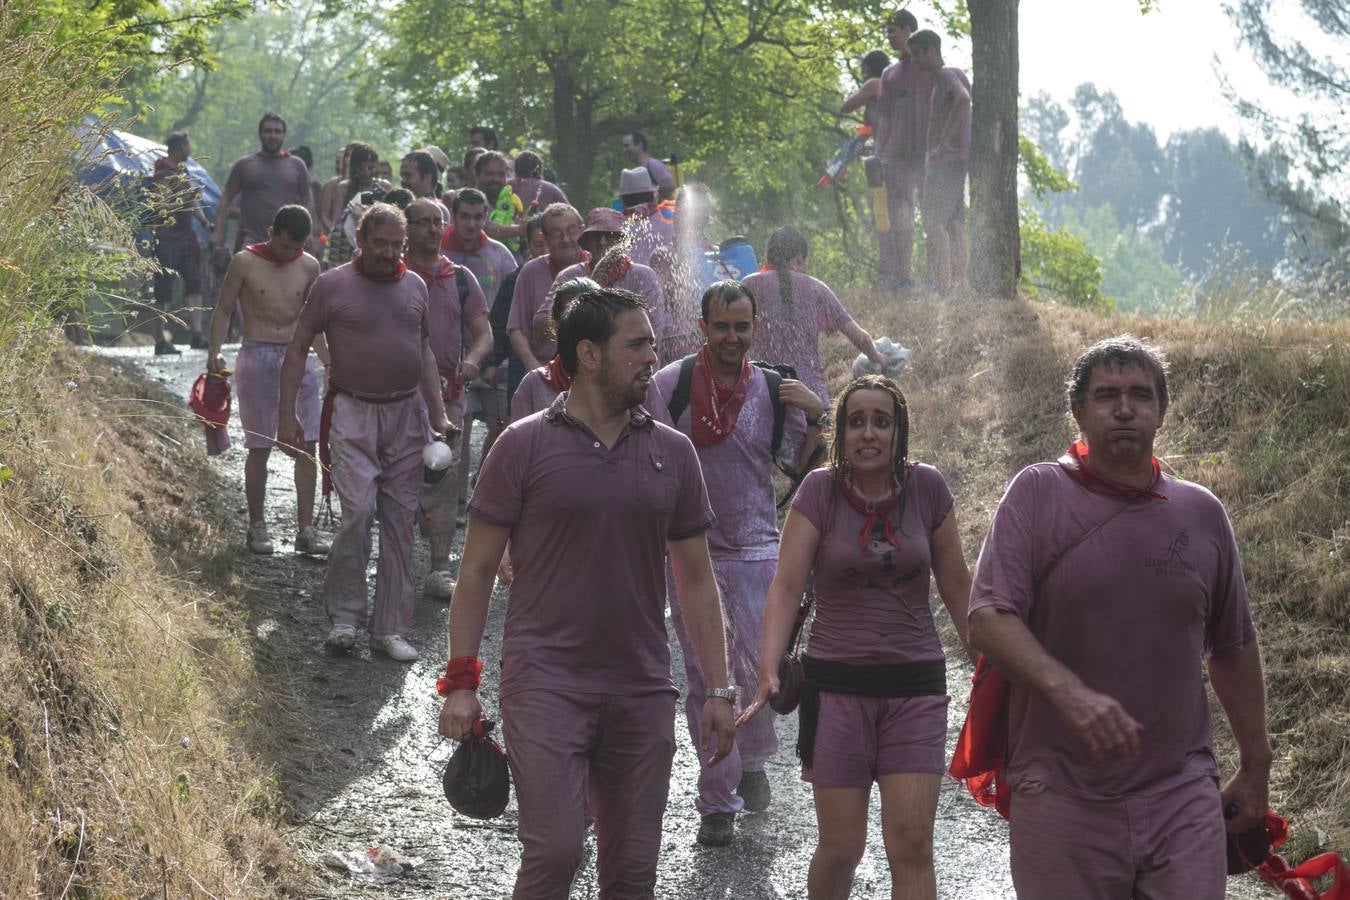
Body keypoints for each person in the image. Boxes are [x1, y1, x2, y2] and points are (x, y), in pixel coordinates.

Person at [437, 286, 737, 898]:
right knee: (555, 849)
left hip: (641, 687)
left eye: (653, 342)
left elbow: (698, 580)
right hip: (545, 682)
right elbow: (473, 574)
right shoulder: (520, 446)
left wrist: (720, 687)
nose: (653, 356)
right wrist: (462, 682)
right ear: (589, 355)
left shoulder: (673, 453)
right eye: (637, 344)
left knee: (631, 874)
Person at [966, 337, 1270, 900]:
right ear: (1078, 411)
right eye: (1106, 395)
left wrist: (1256, 766)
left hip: (1182, 791)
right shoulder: (1037, 493)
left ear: (1161, 410)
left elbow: (1232, 646)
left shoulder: (1202, 513)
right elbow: (987, 617)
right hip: (1060, 796)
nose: (1124, 408)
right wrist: (1070, 694)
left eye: (1139, 395)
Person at [743, 374, 974, 900]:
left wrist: (989, 666)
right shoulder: (818, 491)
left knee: (913, 843)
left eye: (882, 422)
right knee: (842, 847)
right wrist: (768, 667)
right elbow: (785, 586)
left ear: (900, 432)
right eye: (856, 422)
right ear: (842, 431)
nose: (868, 433)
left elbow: (959, 588)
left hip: (916, 686)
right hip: (836, 689)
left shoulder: (928, 488)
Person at [651, 279, 826, 847]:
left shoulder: (775, 391)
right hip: (691, 554)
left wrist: (817, 416)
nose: (731, 337)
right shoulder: (670, 386)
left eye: (741, 327)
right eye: (720, 326)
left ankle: (752, 762)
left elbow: (803, 472)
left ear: (755, 328)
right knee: (708, 679)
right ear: (703, 328)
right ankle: (717, 801)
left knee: (761, 673)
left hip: (759, 551)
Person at [278, 203, 453, 662]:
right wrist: (287, 415)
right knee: (356, 515)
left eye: (398, 245)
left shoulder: (415, 285)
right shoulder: (332, 285)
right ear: (362, 240)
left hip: (405, 415)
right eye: (381, 244)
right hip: (352, 411)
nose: (390, 254)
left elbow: (425, 352)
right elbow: (297, 349)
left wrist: (439, 415)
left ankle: (389, 628)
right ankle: (345, 617)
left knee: (399, 520)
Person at [208, 204, 331, 556]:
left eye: (297, 247)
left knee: (307, 445)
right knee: (259, 445)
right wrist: (215, 350)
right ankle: (257, 525)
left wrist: (328, 361)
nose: (290, 254)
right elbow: (225, 309)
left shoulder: (309, 266)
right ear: (271, 232)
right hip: (257, 354)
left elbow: (314, 321)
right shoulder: (245, 262)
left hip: (297, 355)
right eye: (285, 245)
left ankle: (306, 529)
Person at [404, 198, 493, 600]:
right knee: (401, 474)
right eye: (420, 222)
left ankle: (440, 568)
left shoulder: (460, 278)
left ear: (444, 227)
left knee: (444, 473)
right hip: (398, 394)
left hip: (449, 391)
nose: (429, 229)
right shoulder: (395, 273)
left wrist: (473, 359)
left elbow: (484, 332)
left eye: (434, 222)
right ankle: (398, 561)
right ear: (407, 228)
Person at [740, 227, 885, 409]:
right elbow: (860, 338)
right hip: (810, 400)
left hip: (758, 396)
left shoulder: (747, 285)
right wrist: (879, 359)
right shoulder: (816, 288)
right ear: (800, 258)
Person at [540, 208, 669, 358]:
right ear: (586, 242)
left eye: (610, 235)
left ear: (623, 242)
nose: (603, 241)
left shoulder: (643, 276)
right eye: (596, 236)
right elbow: (541, 322)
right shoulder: (570, 275)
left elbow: (655, 330)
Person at [874, 10, 933, 290]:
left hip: (928, 155)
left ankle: (937, 277)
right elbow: (884, 117)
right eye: (887, 30)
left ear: (909, 31)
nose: (889, 35)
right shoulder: (889, 73)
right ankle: (903, 276)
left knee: (932, 213)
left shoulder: (929, 67)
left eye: (893, 29)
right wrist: (879, 153)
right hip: (897, 156)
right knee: (901, 216)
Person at [908, 30, 970, 295]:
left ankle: (943, 288)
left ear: (931, 50)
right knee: (955, 224)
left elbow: (964, 100)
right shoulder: (952, 74)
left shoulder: (946, 75)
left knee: (933, 224)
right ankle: (956, 286)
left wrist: (943, 142)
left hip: (945, 163)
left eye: (917, 54)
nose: (914, 61)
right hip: (956, 162)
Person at [506, 203, 586, 387]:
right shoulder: (530, 271)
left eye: (571, 231)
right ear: (545, 238)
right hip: (544, 370)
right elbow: (516, 328)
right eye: (557, 234)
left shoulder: (594, 265)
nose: (566, 239)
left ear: (582, 231)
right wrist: (532, 366)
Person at [211, 114, 315, 254]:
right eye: (268, 131)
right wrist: (217, 232)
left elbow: (307, 201)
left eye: (277, 131)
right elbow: (226, 199)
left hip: (288, 241)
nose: (272, 135)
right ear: (260, 134)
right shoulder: (244, 165)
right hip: (250, 240)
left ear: (284, 135)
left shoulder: (297, 165)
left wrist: (307, 233)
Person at [150, 130, 210, 354]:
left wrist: (205, 223)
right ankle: (159, 340)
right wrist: (186, 197)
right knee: (163, 289)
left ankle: (197, 335)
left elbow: (192, 202)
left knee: (194, 284)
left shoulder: (182, 172)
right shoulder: (162, 172)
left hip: (187, 238)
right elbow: (163, 205)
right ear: (181, 146)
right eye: (188, 144)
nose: (190, 148)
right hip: (166, 238)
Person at [510, 277, 600, 422]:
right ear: (555, 327)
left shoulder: (618, 382)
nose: (584, 331)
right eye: (574, 323)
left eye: (594, 322)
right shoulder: (535, 385)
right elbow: (517, 442)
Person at [327, 143, 385, 268]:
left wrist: (363, 216)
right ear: (355, 169)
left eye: (371, 167)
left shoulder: (384, 188)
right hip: (345, 245)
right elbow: (336, 221)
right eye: (362, 168)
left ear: (377, 167)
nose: (367, 172)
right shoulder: (344, 187)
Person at [617, 166, 675, 272]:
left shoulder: (616, 227)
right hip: (663, 282)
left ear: (623, 200)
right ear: (652, 195)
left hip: (628, 284)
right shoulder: (668, 221)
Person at [476, 150, 524, 251]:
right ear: (477, 175)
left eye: (501, 174)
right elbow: (483, 228)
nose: (496, 179)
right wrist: (519, 229)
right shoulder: (470, 199)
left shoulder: (511, 203)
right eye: (490, 174)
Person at [839, 49, 891, 131]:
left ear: (866, 69)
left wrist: (862, 93)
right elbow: (868, 127)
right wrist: (858, 143)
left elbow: (846, 108)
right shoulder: (887, 86)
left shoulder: (874, 83)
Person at [400, 150, 451, 223]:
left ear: (427, 177)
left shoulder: (440, 212)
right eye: (402, 176)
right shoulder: (402, 208)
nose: (403, 181)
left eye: (408, 175)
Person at [510, 149, 568, 214]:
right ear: (540, 169)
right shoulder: (552, 189)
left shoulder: (506, 185)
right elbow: (569, 213)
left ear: (516, 168)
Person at [622, 131, 676, 196]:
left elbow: (670, 185)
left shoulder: (653, 164)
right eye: (624, 147)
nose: (624, 150)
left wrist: (650, 194)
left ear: (639, 145)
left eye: (627, 146)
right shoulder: (636, 170)